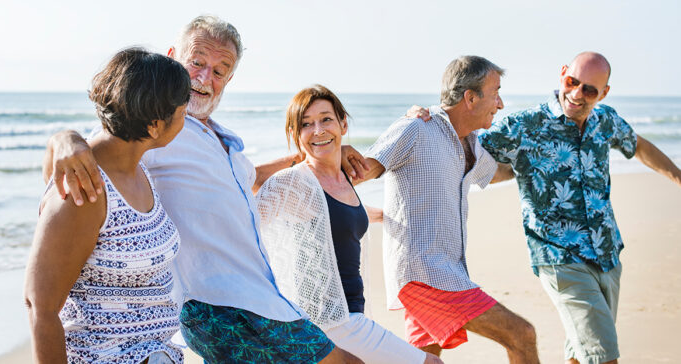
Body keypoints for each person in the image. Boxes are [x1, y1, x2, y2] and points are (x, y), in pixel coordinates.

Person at [42, 16, 360, 364]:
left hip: (261, 298)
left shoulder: (222, 141)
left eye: (220, 70)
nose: (205, 78)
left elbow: (250, 178)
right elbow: (98, 146)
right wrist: (63, 140)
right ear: (172, 57)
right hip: (220, 306)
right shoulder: (160, 129)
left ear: (230, 79)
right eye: (196, 62)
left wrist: (321, 153)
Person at [476, 52, 681, 364]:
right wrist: (426, 118)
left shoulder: (605, 120)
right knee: (603, 355)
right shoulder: (525, 125)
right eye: (572, 82)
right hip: (559, 256)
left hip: (606, 252)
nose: (576, 94)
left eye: (589, 90)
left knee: (582, 352)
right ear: (562, 74)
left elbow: (638, 145)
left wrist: (678, 178)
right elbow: (467, 148)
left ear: (603, 94)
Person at [353, 56, 540, 364]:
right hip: (426, 273)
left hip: (444, 270)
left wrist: (538, 163)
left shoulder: (471, 143)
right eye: (495, 92)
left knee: (426, 359)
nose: (501, 103)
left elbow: (496, 173)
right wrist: (295, 179)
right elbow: (363, 171)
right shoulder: (416, 128)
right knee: (521, 335)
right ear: (470, 97)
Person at [24, 47, 190, 364]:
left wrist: (63, 137)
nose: (185, 118)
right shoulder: (87, 191)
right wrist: (62, 139)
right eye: (182, 113)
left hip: (155, 353)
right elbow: (39, 306)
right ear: (155, 125)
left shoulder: (137, 166)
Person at [256, 85, 442, 364]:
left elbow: (328, 217)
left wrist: (376, 215)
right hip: (330, 319)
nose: (318, 129)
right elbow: (247, 185)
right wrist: (302, 156)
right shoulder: (296, 183)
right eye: (306, 124)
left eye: (326, 119)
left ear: (343, 123)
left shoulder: (345, 178)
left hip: (350, 313)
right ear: (295, 135)